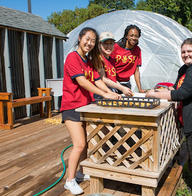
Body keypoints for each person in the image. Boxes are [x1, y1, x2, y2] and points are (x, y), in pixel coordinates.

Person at [145, 38, 192, 196]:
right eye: (183, 52)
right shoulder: (185, 69)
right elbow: (176, 87)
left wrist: (154, 95)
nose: (186, 55)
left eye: (189, 51)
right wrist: (162, 91)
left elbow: (181, 94)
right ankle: (188, 173)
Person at [61, 27, 120, 195]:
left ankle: (80, 173)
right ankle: (69, 181)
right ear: (80, 38)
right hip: (71, 106)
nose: (89, 43)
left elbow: (97, 80)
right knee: (79, 144)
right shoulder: (72, 57)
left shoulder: (88, 60)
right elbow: (82, 82)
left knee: (86, 144)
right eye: (87, 39)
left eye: (93, 41)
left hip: (85, 106)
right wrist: (103, 94)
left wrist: (111, 93)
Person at [110, 25, 145, 93]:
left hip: (126, 83)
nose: (134, 38)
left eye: (136, 36)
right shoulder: (115, 47)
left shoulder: (137, 50)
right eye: (131, 35)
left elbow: (136, 71)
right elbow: (110, 67)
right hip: (114, 82)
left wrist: (140, 89)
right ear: (126, 36)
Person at [98, 31, 133, 97]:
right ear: (99, 44)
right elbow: (103, 79)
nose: (108, 46)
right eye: (105, 43)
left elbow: (112, 78)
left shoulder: (112, 60)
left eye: (111, 43)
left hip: (112, 91)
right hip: (103, 93)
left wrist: (123, 88)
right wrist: (122, 88)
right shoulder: (99, 59)